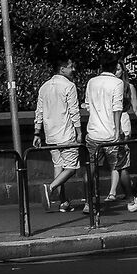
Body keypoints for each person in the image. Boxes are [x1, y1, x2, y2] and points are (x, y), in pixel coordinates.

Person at [83, 54, 137, 213]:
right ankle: (131, 200)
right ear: (115, 68)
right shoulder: (117, 83)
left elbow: (87, 105)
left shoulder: (91, 82)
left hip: (93, 132)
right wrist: (116, 130)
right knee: (121, 167)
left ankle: (89, 202)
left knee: (91, 168)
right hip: (110, 133)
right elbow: (117, 108)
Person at [35, 57, 84, 212]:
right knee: (71, 168)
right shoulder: (69, 86)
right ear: (62, 69)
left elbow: (39, 111)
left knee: (58, 166)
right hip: (66, 133)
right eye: (70, 67)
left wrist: (37, 132)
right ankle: (50, 188)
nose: (73, 69)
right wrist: (79, 131)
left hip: (50, 134)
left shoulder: (44, 87)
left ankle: (63, 202)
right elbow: (74, 111)